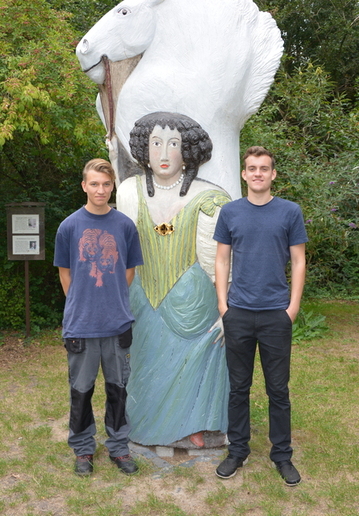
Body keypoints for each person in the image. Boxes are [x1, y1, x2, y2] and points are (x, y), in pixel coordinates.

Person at [116, 112, 231, 449]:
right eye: (155, 143)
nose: (163, 154)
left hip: (196, 304)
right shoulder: (127, 192)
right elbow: (121, 254)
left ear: (188, 150)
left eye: (173, 144)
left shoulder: (211, 199)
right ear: (143, 148)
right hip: (142, 299)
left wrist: (227, 310)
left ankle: (198, 425)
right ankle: (145, 426)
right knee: (145, 365)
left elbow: (219, 262)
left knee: (199, 363)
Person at [213, 146, 307, 486]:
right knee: (238, 388)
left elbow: (298, 261)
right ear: (244, 174)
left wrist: (291, 309)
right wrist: (223, 306)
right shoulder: (230, 212)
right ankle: (237, 451)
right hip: (238, 312)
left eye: (264, 168)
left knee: (278, 390)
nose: (257, 173)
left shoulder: (289, 212)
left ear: (273, 174)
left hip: (275, 314)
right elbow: (221, 260)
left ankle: (282, 456)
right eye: (252, 168)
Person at [54, 158, 143, 476]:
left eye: (106, 184)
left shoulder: (124, 226)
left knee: (117, 389)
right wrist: (83, 304)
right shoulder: (69, 227)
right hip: (81, 325)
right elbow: (65, 274)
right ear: (84, 186)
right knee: (81, 391)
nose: (100, 189)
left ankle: (119, 448)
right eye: (94, 184)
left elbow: (128, 270)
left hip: (117, 323)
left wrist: (111, 299)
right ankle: (82, 449)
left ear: (112, 186)